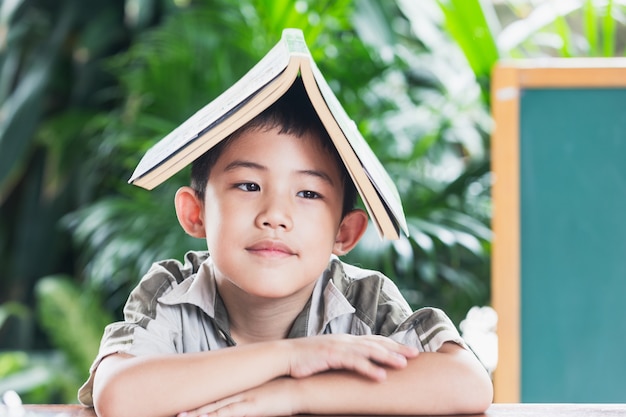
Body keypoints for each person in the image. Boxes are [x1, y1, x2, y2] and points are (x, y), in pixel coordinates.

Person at [78, 78, 493, 417]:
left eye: (308, 193)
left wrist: (294, 395)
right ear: (195, 213)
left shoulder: (364, 301)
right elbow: (120, 397)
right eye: (248, 185)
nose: (275, 215)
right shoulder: (170, 291)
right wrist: (292, 357)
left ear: (344, 233)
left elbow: (466, 383)